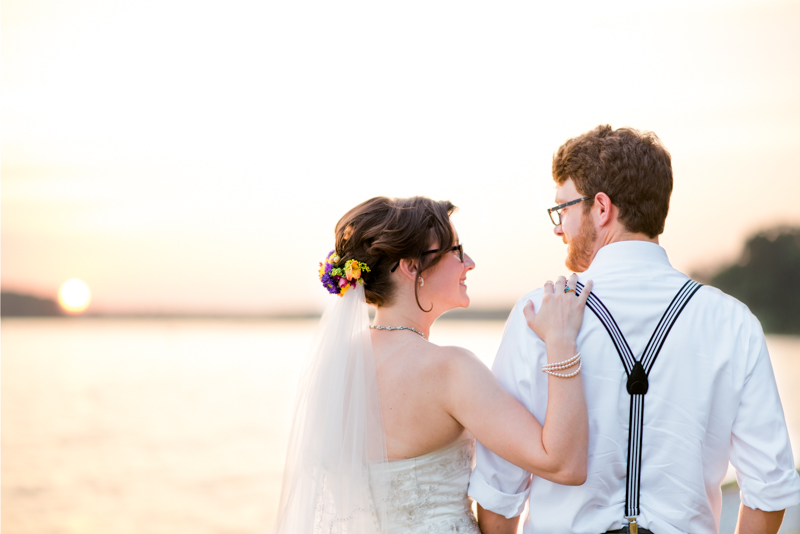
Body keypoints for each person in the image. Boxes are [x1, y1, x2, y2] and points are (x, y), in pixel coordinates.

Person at [469, 125, 800, 534]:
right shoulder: (733, 321)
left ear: (602, 208)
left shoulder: (537, 313)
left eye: (564, 209)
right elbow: (769, 488)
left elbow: (500, 491)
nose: (558, 227)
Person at [274, 196, 593, 534]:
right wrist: (560, 341)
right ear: (412, 267)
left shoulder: (334, 368)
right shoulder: (449, 369)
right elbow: (563, 464)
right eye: (455, 251)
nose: (468, 262)